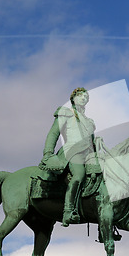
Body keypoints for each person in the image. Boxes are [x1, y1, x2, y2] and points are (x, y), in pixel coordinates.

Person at [39, 87, 102, 227]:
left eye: (86, 97)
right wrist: (48, 153)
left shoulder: (89, 122)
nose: (83, 98)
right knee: (79, 175)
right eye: (80, 96)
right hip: (73, 151)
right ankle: (68, 211)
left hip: (89, 154)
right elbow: (53, 134)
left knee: (104, 178)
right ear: (73, 98)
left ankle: (104, 223)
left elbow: (92, 141)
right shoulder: (66, 113)